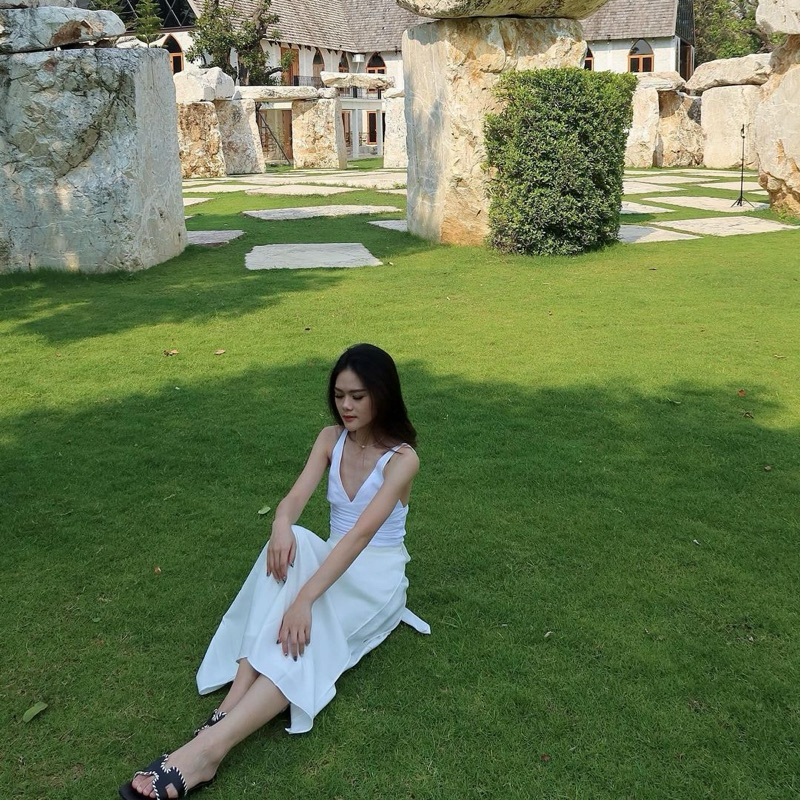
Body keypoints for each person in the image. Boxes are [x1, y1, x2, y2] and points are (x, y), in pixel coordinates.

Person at [120, 343, 430, 800]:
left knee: (305, 635)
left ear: (382, 395)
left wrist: (304, 599)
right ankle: (229, 708)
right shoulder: (330, 439)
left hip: (374, 580)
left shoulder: (403, 460)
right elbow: (294, 499)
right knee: (292, 541)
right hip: (330, 559)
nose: (346, 406)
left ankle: (208, 750)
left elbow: (360, 537)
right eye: (339, 395)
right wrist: (280, 524)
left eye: (358, 396)